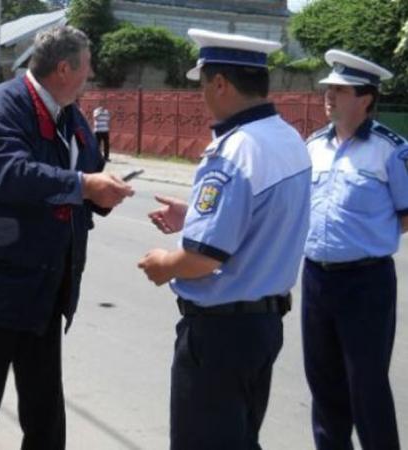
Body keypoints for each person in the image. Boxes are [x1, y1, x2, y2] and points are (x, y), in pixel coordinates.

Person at [0, 25, 134, 450]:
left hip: (42, 292)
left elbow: (87, 172)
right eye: (87, 66)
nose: (91, 75)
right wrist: (84, 185)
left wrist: (104, 191)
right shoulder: (2, 107)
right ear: (64, 69)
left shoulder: (70, 115)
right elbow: (8, 173)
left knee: (44, 417)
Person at [137, 28, 311, 449]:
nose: (202, 96)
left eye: (202, 85)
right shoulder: (287, 138)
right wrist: (194, 215)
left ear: (220, 83)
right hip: (261, 326)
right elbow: (262, 219)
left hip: (220, 334)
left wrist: (163, 265)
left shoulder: (233, 152)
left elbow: (201, 260)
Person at [302, 50, 408, 450]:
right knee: (323, 385)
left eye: (340, 90)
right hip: (317, 278)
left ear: (365, 98)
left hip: (366, 282)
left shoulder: (391, 150)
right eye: (328, 88)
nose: (329, 96)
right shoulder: (313, 146)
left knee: (367, 385)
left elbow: (406, 214)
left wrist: (367, 237)